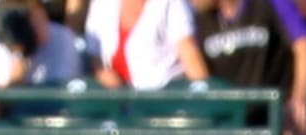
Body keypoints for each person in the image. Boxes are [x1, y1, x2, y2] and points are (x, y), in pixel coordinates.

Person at [191, 0, 306, 135]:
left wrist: (299, 98)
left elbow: (304, 45)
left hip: (274, 108)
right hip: (229, 115)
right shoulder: (195, 19)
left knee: (300, 118)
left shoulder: (271, 3)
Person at [82, 0, 210, 91]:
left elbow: (188, 52)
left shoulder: (172, 3)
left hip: (163, 94)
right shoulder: (101, 4)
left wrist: (204, 93)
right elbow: (95, 56)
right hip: (116, 100)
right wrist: (103, 74)